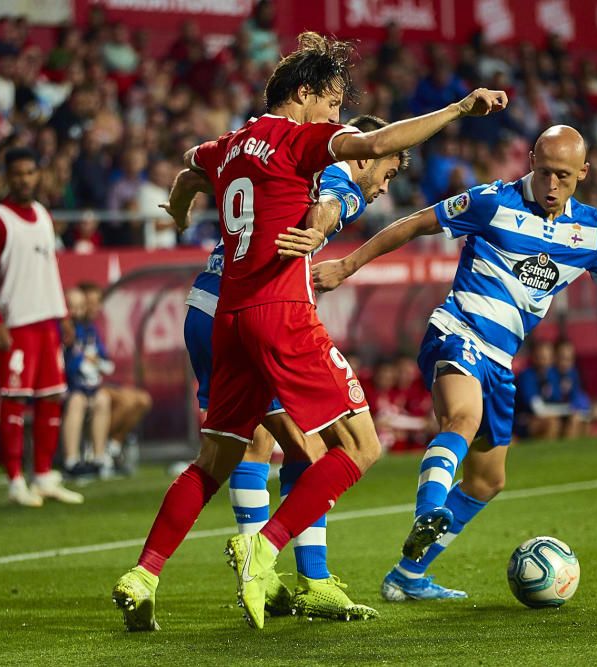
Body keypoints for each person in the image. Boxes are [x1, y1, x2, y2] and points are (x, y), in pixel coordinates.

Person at [111, 31, 507, 632]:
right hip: (279, 311)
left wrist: (179, 207)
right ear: (303, 95)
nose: (336, 117)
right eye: (332, 103)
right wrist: (458, 109)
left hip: (226, 316)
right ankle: (263, 549)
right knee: (359, 447)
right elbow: (367, 153)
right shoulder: (302, 141)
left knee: (216, 458)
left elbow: (192, 168)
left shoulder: (231, 144)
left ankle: (143, 573)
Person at [313, 124, 597, 601]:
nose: (551, 185)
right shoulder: (492, 201)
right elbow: (416, 222)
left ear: (583, 173)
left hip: (501, 360)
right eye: (543, 172)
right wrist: (348, 264)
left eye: (562, 175)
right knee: (463, 416)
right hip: (457, 331)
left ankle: (408, 576)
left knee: (487, 480)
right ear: (531, 164)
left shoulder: (589, 233)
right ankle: (428, 510)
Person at [181, 113, 405, 621]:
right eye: (387, 173)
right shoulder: (335, 167)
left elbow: (199, 165)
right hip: (253, 311)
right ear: (366, 154)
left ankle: (247, 564)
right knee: (323, 445)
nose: (384, 187)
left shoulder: (258, 148)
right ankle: (298, 571)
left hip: (208, 302)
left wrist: (183, 190)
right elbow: (328, 204)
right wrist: (319, 229)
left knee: (253, 441)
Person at [0, 147, 82, 507]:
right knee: (15, 401)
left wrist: (62, 314)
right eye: (17, 173)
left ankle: (44, 475)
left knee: (52, 398)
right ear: (7, 176)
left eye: (30, 172)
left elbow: (50, 268)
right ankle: (15, 480)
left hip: (46, 323)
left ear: (38, 174)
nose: (24, 179)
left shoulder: (41, 214)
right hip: (16, 324)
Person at [78, 281, 151, 472]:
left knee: (142, 400)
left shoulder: (91, 329)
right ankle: (97, 448)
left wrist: (97, 363)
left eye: (97, 302)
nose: (95, 307)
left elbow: (105, 362)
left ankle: (112, 447)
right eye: (91, 302)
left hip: (97, 382)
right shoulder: (73, 329)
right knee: (127, 402)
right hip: (82, 387)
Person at [62, 287, 114, 479]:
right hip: (68, 388)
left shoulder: (89, 330)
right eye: (71, 307)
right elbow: (63, 365)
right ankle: (71, 460)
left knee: (103, 399)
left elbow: (103, 357)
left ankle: (98, 457)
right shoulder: (62, 332)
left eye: (80, 307)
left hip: (88, 386)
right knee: (77, 402)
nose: (76, 312)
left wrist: (97, 362)